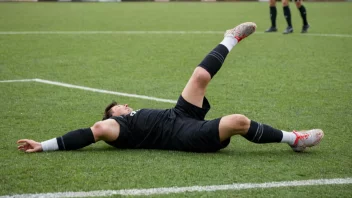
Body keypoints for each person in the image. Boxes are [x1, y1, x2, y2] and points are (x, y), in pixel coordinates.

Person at [17, 22, 323, 154]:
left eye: (120, 107)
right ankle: (294, 138)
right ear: (115, 116)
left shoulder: (133, 114)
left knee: (199, 76)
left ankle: (230, 38)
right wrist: (44, 145)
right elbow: (94, 130)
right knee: (237, 122)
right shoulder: (119, 128)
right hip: (181, 136)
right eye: (115, 109)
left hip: (178, 115)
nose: (121, 107)